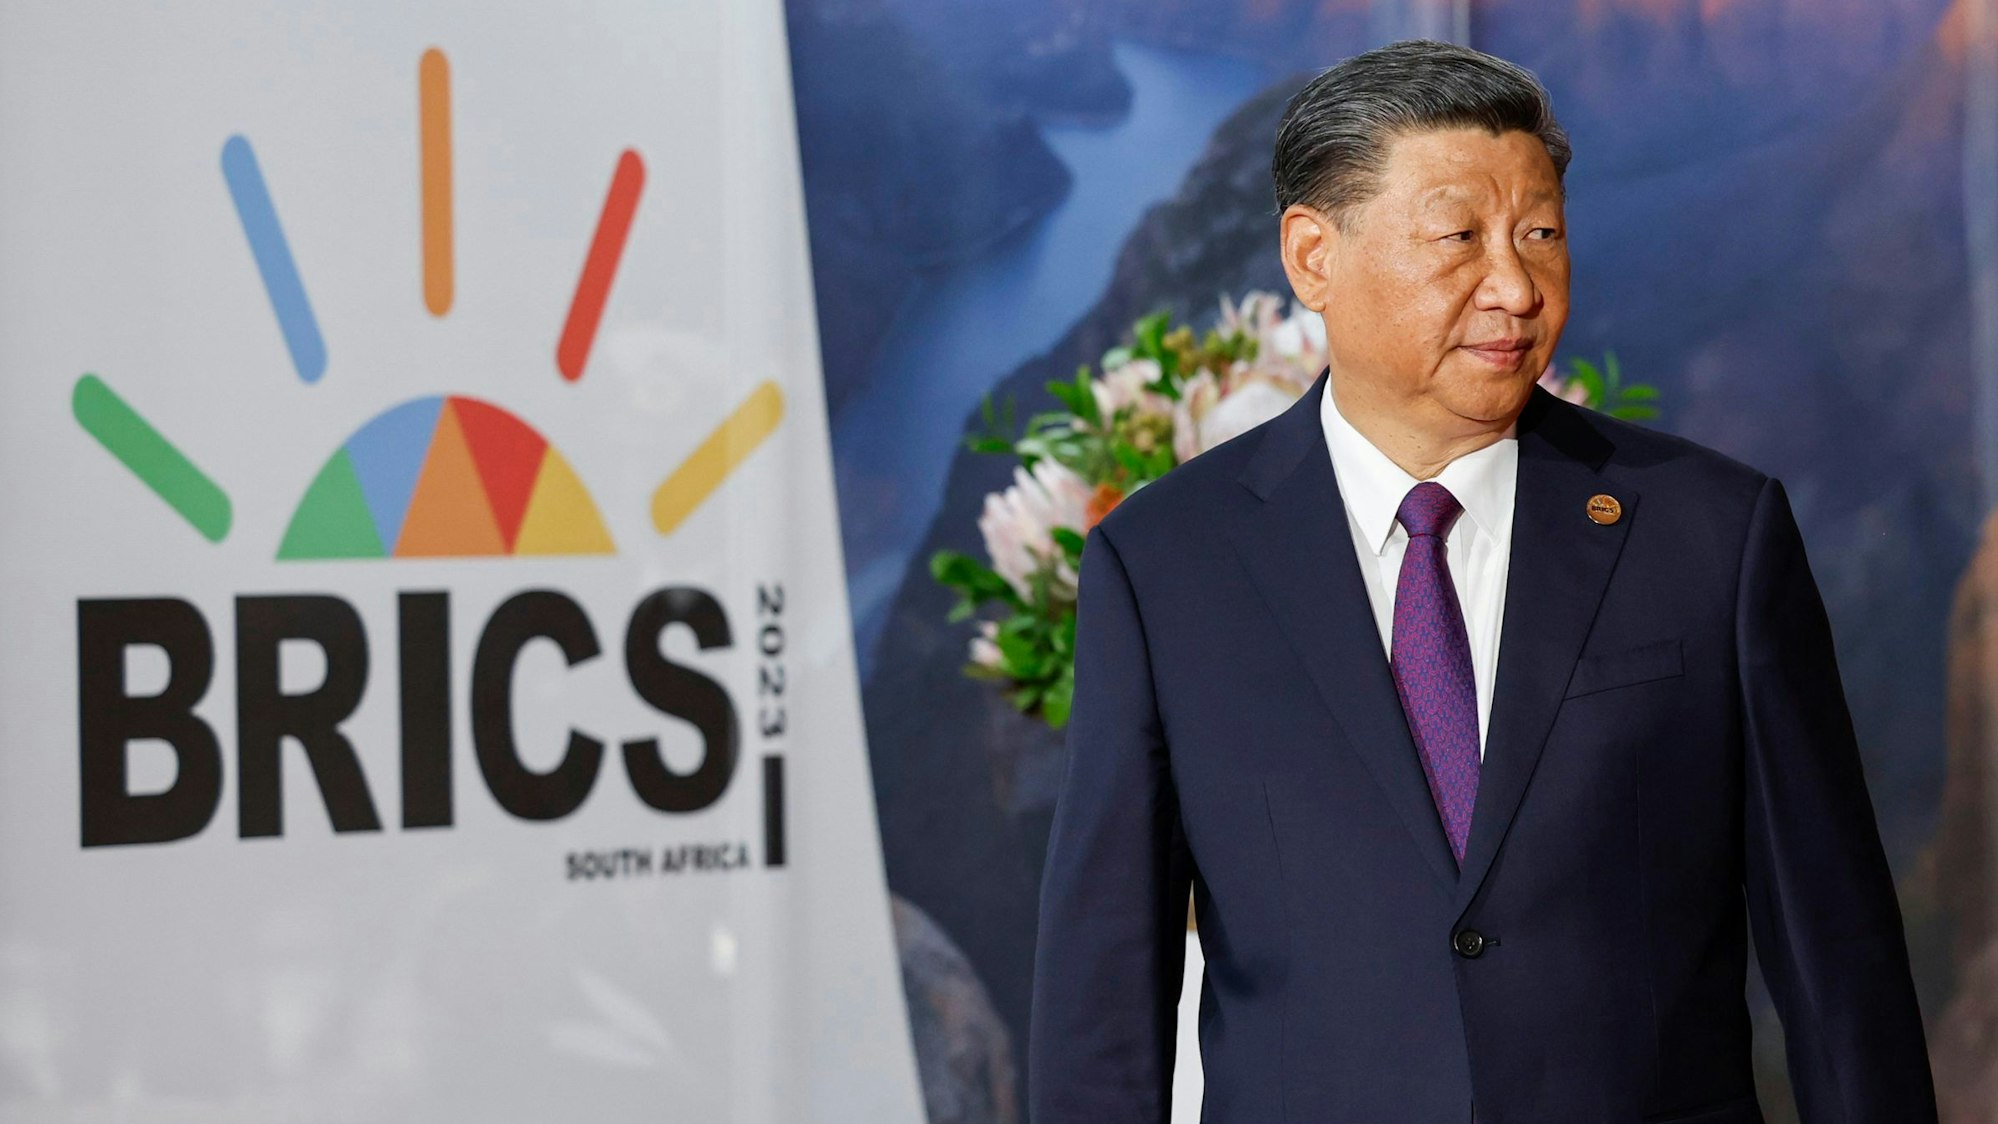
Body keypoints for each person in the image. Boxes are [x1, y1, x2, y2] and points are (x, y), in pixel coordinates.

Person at [1026, 39, 1937, 1123]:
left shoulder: (1709, 534)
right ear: (1314, 256)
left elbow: (1836, 958)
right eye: (1459, 236)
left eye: (1540, 233)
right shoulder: (1166, 563)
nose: (1514, 284)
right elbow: (1103, 996)